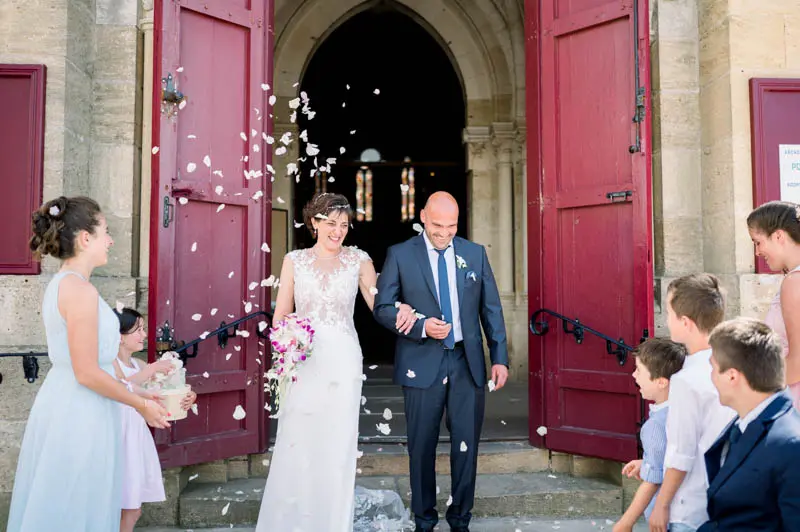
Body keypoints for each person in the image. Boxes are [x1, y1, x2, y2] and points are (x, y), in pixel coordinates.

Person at [255, 193, 417, 531]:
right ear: (314, 222)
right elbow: (282, 315)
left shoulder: (358, 260)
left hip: (343, 358)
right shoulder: (294, 261)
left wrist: (405, 312)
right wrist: (287, 342)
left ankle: (332, 521)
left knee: (336, 441)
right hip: (303, 361)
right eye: (331, 223)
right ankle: (291, 519)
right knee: (297, 438)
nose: (337, 231)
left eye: (343, 225)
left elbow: (380, 306)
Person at [7, 196, 170, 532]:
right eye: (105, 232)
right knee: (74, 501)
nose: (110, 240)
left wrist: (142, 392)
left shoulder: (68, 285)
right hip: (80, 410)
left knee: (76, 500)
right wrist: (139, 404)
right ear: (85, 238)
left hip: (77, 403)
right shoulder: (78, 291)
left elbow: (100, 368)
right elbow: (87, 372)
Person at [373, 191, 509, 532]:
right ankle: (424, 519)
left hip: (468, 362)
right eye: (437, 225)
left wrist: (500, 357)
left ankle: (460, 518)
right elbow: (383, 307)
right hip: (422, 362)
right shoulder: (401, 254)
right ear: (422, 216)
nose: (444, 232)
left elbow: (490, 308)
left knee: (467, 444)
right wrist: (420, 326)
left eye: (451, 226)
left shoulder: (473, 254)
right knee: (421, 445)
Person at [648, 273, 736, 532]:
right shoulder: (732, 366)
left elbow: (681, 453)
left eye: (669, 313)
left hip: (690, 503)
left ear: (685, 322)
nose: (667, 320)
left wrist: (662, 504)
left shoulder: (686, 380)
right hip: (724, 498)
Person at [700, 317, 800, 530]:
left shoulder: (791, 444)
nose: (710, 378)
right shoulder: (743, 423)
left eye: (713, 368)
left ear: (732, 376)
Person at [112, 307, 197, 532]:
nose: (144, 335)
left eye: (143, 329)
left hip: (135, 436)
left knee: (133, 507)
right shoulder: (110, 363)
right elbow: (122, 383)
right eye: (137, 330)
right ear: (120, 336)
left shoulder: (139, 364)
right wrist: (153, 368)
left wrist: (188, 395)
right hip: (115, 436)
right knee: (118, 505)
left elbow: (162, 390)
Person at [614, 338, 686, 532]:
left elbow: (653, 481)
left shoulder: (655, 425)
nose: (633, 375)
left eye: (639, 370)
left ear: (661, 382)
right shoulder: (685, 410)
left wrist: (625, 523)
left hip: (666, 519)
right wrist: (645, 463)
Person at [747, 200, 800, 409]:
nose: (758, 252)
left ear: (778, 236)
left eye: (758, 242)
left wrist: (752, 391)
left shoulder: (794, 283)